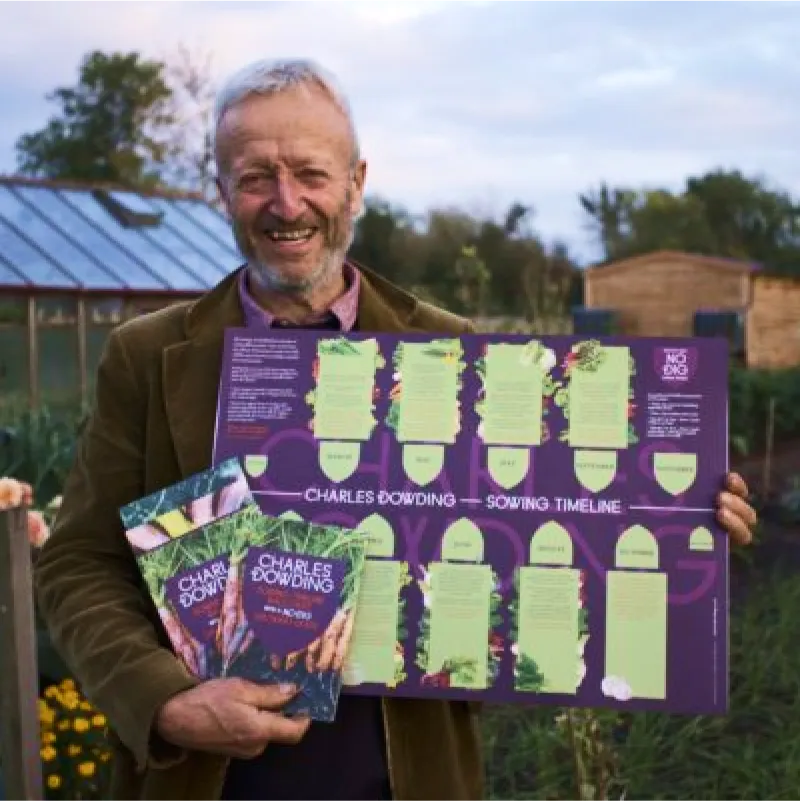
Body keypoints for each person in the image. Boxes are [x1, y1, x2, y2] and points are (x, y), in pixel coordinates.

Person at [34, 58, 758, 801]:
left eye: (311, 173)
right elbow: (78, 562)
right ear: (222, 190)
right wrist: (164, 700)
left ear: (356, 182)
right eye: (256, 177)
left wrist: (682, 522)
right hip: (209, 781)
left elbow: (549, 526)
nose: (287, 203)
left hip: (404, 775)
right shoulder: (150, 356)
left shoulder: (453, 348)